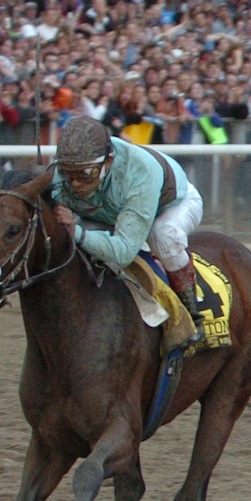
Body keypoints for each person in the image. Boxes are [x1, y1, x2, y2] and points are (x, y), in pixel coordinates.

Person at [51, 115, 207, 342]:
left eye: (85, 174)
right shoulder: (66, 170)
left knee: (162, 237)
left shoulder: (139, 173)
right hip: (110, 209)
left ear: (108, 161)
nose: (74, 183)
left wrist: (76, 232)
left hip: (170, 204)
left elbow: (124, 252)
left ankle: (192, 313)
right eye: (67, 173)